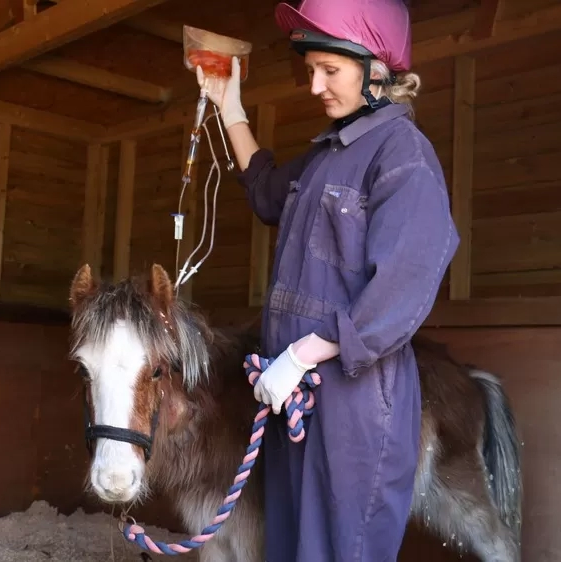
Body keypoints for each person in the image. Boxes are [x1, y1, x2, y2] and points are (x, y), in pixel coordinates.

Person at [195, 0, 459, 560]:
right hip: (297, 395)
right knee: (291, 544)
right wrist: (230, 107)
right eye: (310, 68)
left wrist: (302, 355)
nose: (314, 85)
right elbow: (268, 192)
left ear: (377, 70)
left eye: (329, 70)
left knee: (342, 549)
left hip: (354, 403)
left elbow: (402, 288)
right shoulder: (327, 156)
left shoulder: (402, 156)